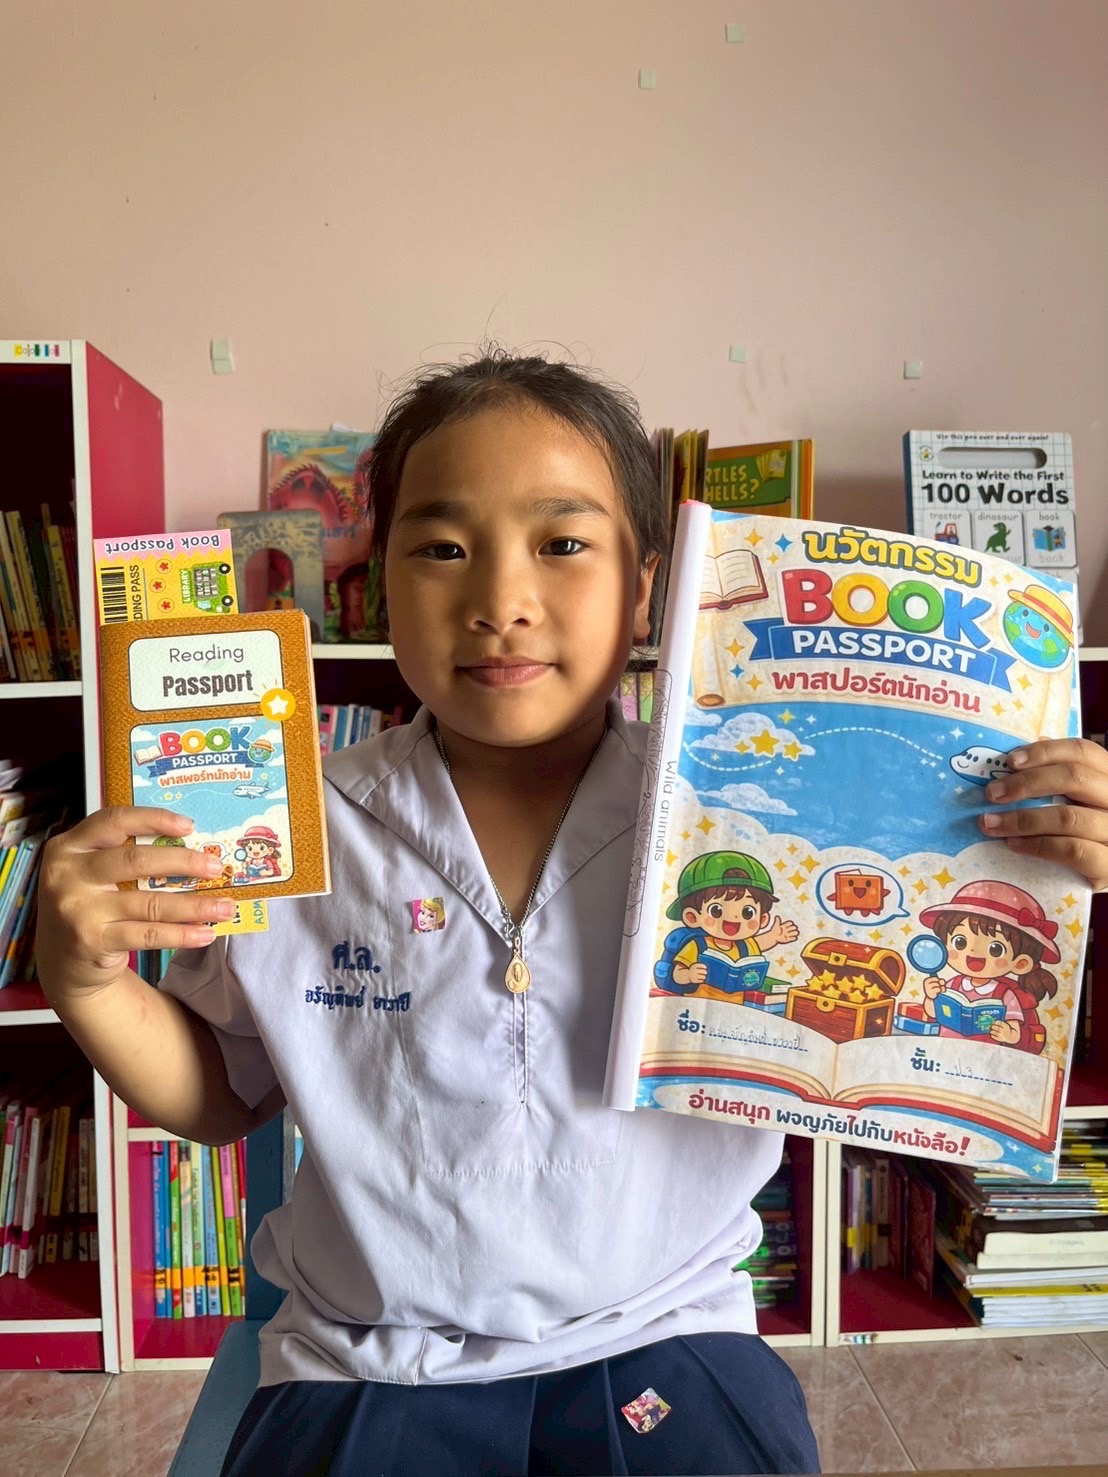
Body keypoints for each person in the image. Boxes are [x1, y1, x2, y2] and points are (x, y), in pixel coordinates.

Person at [34, 350, 1108, 1476]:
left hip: (665, 1332)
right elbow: (219, 1094)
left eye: (563, 544)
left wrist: (1041, 839)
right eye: (442, 548)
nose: (501, 601)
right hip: (371, 1357)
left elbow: (921, 962)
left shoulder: (735, 816)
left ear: (647, 590)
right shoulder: (296, 823)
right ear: (376, 583)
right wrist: (85, 980)